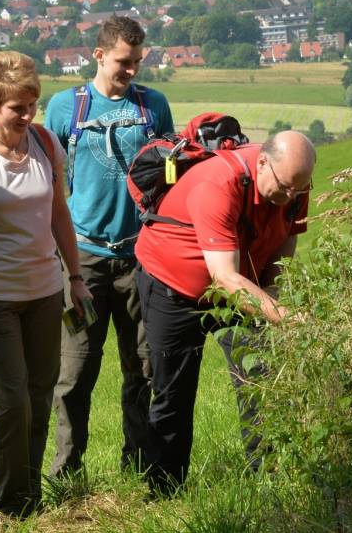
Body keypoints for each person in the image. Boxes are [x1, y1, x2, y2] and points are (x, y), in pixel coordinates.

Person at [0, 51, 91, 518]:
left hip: (45, 291)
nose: (27, 115)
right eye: (16, 108)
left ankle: (31, 497)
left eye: (32, 104)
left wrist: (76, 277)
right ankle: (8, 505)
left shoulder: (45, 143)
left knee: (41, 392)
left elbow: (59, 214)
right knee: (13, 399)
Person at [134, 130, 316, 495]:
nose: (292, 197)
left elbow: (285, 240)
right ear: (262, 162)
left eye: (300, 188)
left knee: (261, 380)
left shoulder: (292, 182)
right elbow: (224, 278)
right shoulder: (217, 184)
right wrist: (284, 316)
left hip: (243, 285)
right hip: (175, 287)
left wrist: (272, 293)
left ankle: (269, 480)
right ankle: (164, 490)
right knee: (174, 389)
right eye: (285, 187)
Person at [43, 15, 174, 478]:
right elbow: (47, 182)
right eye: (124, 61)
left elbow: (167, 177)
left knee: (142, 368)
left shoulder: (153, 105)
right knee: (75, 373)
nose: (132, 70)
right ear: (98, 55)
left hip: (142, 256)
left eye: (138, 61)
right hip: (84, 261)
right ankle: (67, 471)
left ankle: (137, 465)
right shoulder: (64, 108)